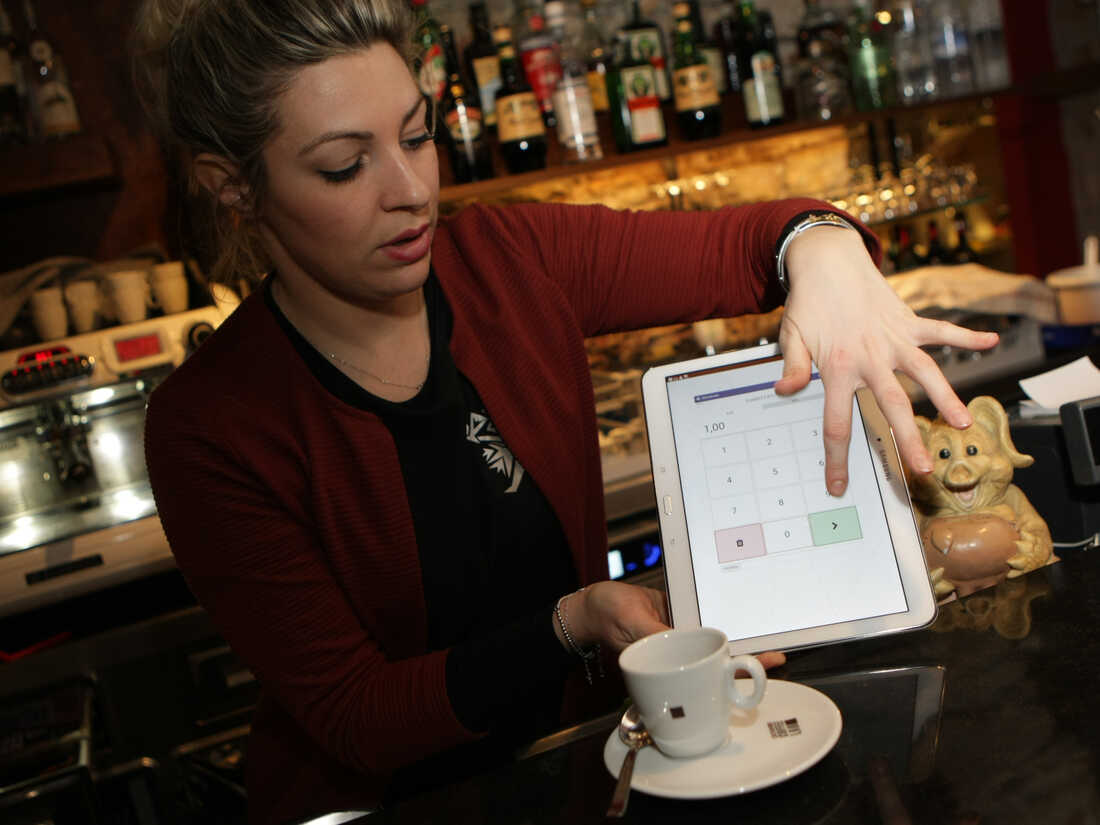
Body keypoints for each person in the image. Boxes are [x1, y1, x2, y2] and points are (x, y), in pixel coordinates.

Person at [132, 1, 997, 822]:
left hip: (579, 771)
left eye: (417, 135)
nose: (412, 190)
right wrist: (572, 624)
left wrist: (822, 247)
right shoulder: (210, 425)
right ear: (232, 186)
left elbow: (745, 244)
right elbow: (359, 715)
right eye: (344, 166)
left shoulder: (508, 259)